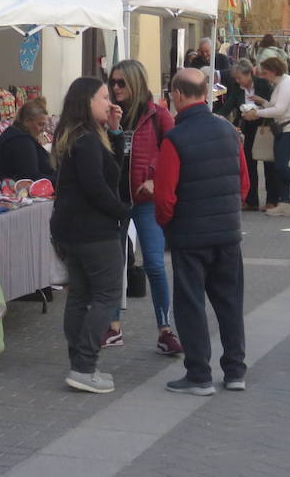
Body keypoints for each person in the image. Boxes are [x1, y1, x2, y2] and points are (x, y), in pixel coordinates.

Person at [154, 69, 250, 396]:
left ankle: (199, 374)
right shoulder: (227, 131)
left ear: (177, 95)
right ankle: (235, 370)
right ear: (205, 91)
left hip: (190, 235)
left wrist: (169, 224)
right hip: (227, 233)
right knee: (230, 302)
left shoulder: (175, 139)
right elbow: (245, 184)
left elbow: (164, 196)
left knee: (191, 303)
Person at [50, 75, 130, 394]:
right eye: (102, 97)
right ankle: (84, 365)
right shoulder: (84, 140)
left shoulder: (82, 136)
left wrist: (114, 132)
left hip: (74, 229)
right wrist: (123, 211)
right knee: (105, 296)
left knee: (81, 295)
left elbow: (112, 173)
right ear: (86, 102)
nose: (110, 102)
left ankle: (80, 365)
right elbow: (98, 188)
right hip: (92, 230)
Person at [107, 60, 181, 356]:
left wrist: (153, 178)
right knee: (115, 263)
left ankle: (165, 329)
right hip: (116, 200)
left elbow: (172, 151)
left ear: (136, 83)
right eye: (112, 82)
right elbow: (102, 154)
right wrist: (111, 129)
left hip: (145, 200)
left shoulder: (158, 116)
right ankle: (113, 327)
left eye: (121, 83)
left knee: (153, 262)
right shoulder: (109, 114)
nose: (115, 88)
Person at [244, 55, 290, 216]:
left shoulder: (286, 83)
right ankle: (284, 203)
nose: (264, 77)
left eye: (266, 73)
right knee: (279, 165)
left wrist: (257, 113)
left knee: (280, 165)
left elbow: (279, 110)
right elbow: (276, 107)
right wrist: (262, 102)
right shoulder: (281, 83)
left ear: (274, 71)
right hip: (285, 127)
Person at [228, 58, 273, 211]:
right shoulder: (237, 88)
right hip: (248, 127)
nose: (237, 80)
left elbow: (272, 104)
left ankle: (272, 200)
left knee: (269, 163)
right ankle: (251, 200)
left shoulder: (262, 84)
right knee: (249, 163)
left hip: (265, 126)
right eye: (236, 78)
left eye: (239, 77)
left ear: (248, 75)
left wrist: (258, 109)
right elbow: (229, 104)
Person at [0, 100, 54, 181]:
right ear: (27, 121)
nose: (43, 130)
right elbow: (31, 177)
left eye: (44, 125)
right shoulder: (21, 141)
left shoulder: (15, 135)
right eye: (40, 124)